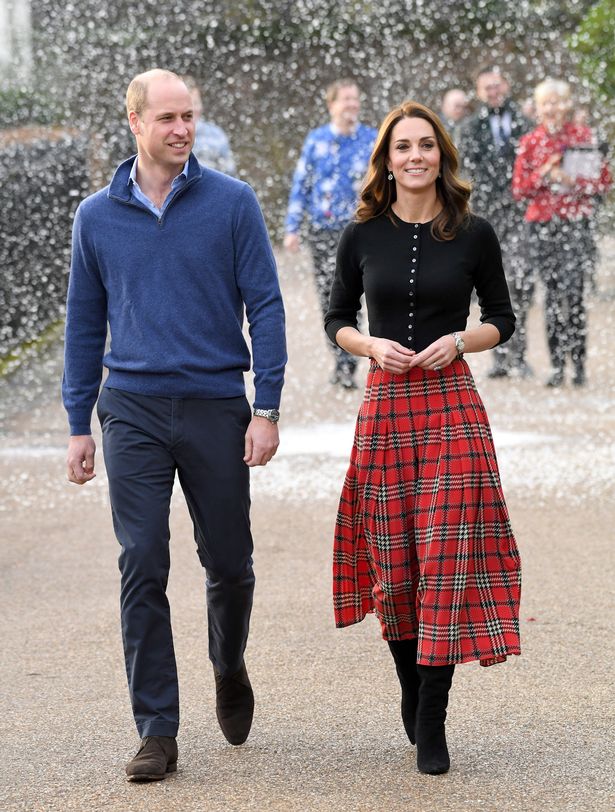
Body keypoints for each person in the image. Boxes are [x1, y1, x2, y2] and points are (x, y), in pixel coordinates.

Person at [62, 69, 287, 781]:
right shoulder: (95, 216)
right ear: (134, 123)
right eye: (167, 118)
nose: (181, 129)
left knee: (229, 562)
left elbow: (267, 306)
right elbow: (82, 323)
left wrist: (266, 407)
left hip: (215, 403)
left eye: (188, 115)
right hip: (129, 405)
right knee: (141, 561)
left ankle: (228, 660)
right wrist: (77, 422)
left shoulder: (231, 203)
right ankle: (156, 727)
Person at [325, 100, 521, 776]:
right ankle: (411, 687)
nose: (415, 156)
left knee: (443, 556)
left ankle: (432, 719)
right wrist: (369, 345)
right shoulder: (360, 234)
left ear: (442, 155)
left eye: (426, 146)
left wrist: (458, 342)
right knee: (394, 563)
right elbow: (335, 318)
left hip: (450, 407)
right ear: (386, 159)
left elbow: (502, 318)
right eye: (402, 147)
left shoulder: (474, 232)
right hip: (384, 408)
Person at [512, 79, 611, 386]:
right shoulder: (530, 141)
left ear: (568, 105)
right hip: (542, 225)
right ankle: (556, 366)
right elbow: (519, 190)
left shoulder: (583, 137)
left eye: (558, 102)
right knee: (552, 296)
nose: (552, 108)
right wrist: (545, 173)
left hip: (575, 224)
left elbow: (603, 183)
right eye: (546, 103)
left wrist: (575, 182)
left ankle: (579, 365)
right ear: (538, 109)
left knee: (576, 294)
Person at [284, 79, 377, 389]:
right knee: (331, 296)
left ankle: (365, 355)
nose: (352, 104)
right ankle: (342, 361)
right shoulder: (317, 141)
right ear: (331, 104)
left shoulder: (371, 139)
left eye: (355, 99)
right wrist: (292, 227)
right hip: (324, 230)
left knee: (365, 293)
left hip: (362, 229)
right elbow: (302, 185)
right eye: (345, 99)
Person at [458, 65, 532, 378]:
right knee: (491, 283)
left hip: (518, 212)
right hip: (487, 214)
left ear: (507, 86)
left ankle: (519, 353)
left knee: (521, 282)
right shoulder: (472, 127)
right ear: (479, 92)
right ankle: (499, 357)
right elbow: (468, 168)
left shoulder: (525, 123)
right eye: (487, 87)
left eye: (497, 85)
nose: (493, 91)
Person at [183, 75, 237, 175]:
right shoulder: (169, 134)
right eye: (190, 103)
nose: (195, 108)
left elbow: (230, 173)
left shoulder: (216, 134)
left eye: (197, 102)